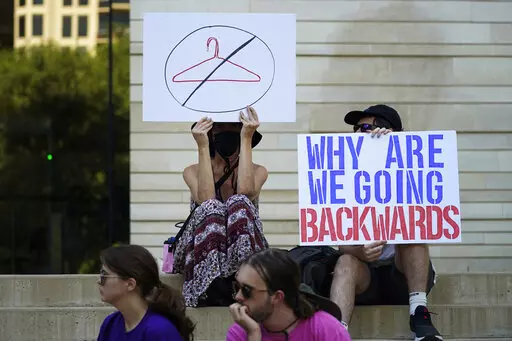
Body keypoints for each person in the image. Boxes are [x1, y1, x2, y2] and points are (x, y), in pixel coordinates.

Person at [329, 104, 442, 341]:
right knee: (345, 259)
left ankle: (419, 314)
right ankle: (337, 333)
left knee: (412, 235)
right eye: (356, 129)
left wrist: (397, 150)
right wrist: (359, 250)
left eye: (366, 127)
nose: (359, 133)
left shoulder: (410, 170)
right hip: (364, 274)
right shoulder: (345, 175)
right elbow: (339, 244)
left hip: (401, 273)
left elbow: (426, 213)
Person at [172, 106, 270, 307]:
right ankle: (208, 284)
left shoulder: (259, 171)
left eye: (234, 127)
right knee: (212, 208)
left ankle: (242, 281)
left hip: (244, 249)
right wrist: (202, 146)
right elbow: (206, 199)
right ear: (211, 132)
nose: (228, 132)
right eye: (220, 126)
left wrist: (246, 139)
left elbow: (244, 192)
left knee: (238, 202)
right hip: (201, 248)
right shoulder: (191, 171)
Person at [226, 248, 351, 341]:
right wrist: (253, 335)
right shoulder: (241, 332)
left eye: (247, 290)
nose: (238, 296)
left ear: (277, 297)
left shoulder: (326, 329)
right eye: (237, 287)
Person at [97, 244, 195, 341]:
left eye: (104, 275)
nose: (98, 281)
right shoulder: (110, 324)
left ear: (130, 284)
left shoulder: (159, 331)